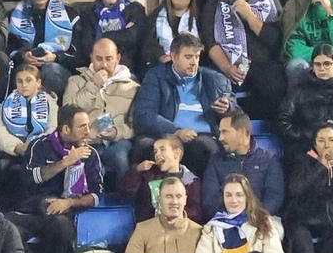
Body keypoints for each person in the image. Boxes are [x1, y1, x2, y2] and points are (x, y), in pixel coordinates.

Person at [7, 104, 100, 253]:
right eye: (82, 127)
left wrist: (69, 203)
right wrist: (65, 162)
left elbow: (95, 197)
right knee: (5, 229)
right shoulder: (40, 146)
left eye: (88, 126)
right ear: (65, 128)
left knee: (62, 229)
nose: (87, 131)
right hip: (32, 212)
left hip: (63, 215)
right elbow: (30, 178)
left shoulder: (91, 154)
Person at [133, 32, 231, 176]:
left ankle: (197, 194)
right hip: (166, 134)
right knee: (146, 146)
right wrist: (176, 131)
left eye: (197, 57)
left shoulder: (214, 79)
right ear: (174, 57)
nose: (194, 62)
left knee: (201, 148)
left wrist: (228, 108)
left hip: (202, 135)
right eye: (188, 57)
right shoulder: (156, 77)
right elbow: (144, 114)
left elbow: (236, 110)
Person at [201, 0, 286, 120]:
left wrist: (249, 16)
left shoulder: (270, 3)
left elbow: (276, 42)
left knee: (276, 83)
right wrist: (227, 68)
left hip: (263, 67)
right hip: (226, 66)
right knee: (214, 83)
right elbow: (210, 42)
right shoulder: (213, 6)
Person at [194, 174, 286, 253]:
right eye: (228, 195)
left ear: (247, 197)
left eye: (239, 195)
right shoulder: (212, 228)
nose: (233, 200)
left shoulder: (263, 222)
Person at [62, 36, 139, 182]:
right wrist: (93, 85)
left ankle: (123, 201)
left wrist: (117, 132)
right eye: (99, 59)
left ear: (118, 58)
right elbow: (68, 111)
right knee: (83, 159)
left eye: (109, 59)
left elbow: (136, 124)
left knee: (120, 158)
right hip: (85, 140)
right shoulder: (76, 81)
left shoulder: (132, 87)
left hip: (117, 141)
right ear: (91, 57)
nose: (103, 64)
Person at [283, 120, 333, 253]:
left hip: (330, 218)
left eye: (331, 141)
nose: (326, 146)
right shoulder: (303, 161)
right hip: (302, 216)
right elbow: (295, 189)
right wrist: (320, 167)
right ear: (314, 144)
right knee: (299, 232)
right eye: (321, 141)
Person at [5, 0, 80, 96]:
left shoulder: (70, 15)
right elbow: (8, 48)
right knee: (24, 74)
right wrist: (23, 56)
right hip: (25, 67)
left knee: (49, 69)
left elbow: (79, 53)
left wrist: (55, 57)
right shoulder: (14, 15)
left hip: (57, 67)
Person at [120, 175, 199, 253]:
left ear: (185, 199)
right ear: (159, 199)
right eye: (169, 196)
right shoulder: (143, 229)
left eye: (179, 196)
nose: (174, 202)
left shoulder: (198, 231)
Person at [275, 44, 333, 160]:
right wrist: (309, 134)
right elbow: (282, 122)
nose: (322, 68)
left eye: (327, 64)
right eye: (318, 64)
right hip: (305, 152)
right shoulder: (298, 92)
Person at [202, 110, 285, 217]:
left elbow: (274, 197)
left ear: (241, 132)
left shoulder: (268, 159)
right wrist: (229, 219)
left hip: (260, 220)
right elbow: (209, 199)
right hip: (225, 221)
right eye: (220, 132)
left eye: (225, 132)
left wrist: (254, 217)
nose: (220, 138)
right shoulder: (216, 161)